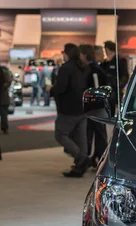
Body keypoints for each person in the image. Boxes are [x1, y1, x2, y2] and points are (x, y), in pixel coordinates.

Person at [54, 43, 89, 177]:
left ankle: (81, 158)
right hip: (82, 107)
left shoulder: (66, 68)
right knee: (81, 138)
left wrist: (52, 89)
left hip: (68, 108)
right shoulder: (83, 68)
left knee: (60, 134)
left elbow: (61, 88)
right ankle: (80, 165)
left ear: (67, 53)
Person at [80, 44, 108, 167]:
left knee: (94, 133)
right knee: (96, 133)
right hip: (97, 107)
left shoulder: (92, 70)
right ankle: (96, 157)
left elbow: (96, 89)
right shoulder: (95, 69)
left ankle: (99, 159)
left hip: (95, 108)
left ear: (84, 55)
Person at [102, 40, 129, 114]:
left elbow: (124, 76)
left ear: (107, 49)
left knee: (114, 112)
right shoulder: (105, 63)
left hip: (115, 92)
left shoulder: (120, 61)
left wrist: (118, 87)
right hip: (107, 91)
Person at [0, 65, 13, 134]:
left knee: (3, 113)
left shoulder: (3, 72)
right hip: (3, 96)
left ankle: (4, 127)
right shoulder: (4, 72)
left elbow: (8, 82)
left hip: (1, 96)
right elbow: (8, 82)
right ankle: (4, 128)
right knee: (3, 113)